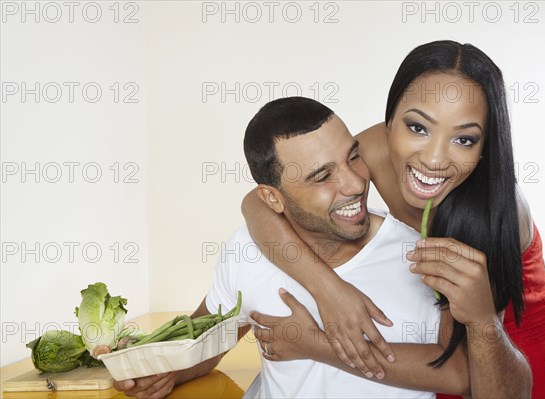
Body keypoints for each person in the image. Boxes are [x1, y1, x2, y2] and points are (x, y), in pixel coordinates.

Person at [242, 41, 545, 398]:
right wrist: (329, 290)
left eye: (464, 139)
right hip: (435, 349)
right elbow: (259, 202)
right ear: (391, 119)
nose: (434, 160)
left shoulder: (498, 213)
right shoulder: (369, 151)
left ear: (485, 147)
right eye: (418, 127)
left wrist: (318, 345)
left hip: (513, 346)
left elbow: (468, 373)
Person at [114, 96, 472, 399]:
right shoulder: (247, 249)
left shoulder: (418, 255)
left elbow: (457, 371)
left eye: (353, 157)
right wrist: (159, 369)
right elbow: (207, 343)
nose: (356, 183)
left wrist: (315, 343)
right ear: (272, 198)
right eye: (322, 176)